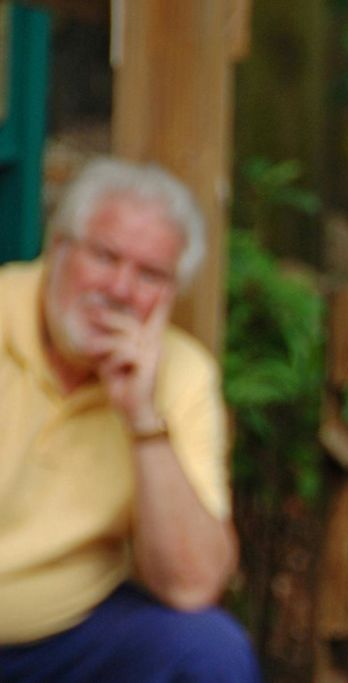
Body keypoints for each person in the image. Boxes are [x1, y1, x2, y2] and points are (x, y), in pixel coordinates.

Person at [0, 158, 259, 681]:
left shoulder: (182, 373)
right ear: (58, 248)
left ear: (172, 295)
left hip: (69, 639)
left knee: (210, 650)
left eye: (150, 274)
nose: (120, 288)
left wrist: (142, 417)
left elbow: (191, 584)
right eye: (104, 255)